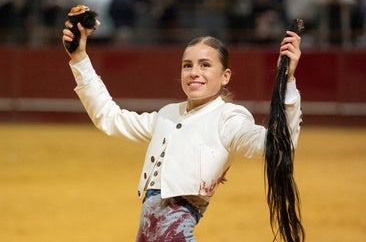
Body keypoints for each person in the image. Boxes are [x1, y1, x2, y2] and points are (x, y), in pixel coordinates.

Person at [62, 20, 302, 241]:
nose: (194, 72)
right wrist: (80, 58)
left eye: (205, 65)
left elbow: (277, 146)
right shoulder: (167, 115)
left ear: (225, 76)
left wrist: (287, 81)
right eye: (187, 65)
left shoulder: (229, 119)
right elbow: (111, 118)